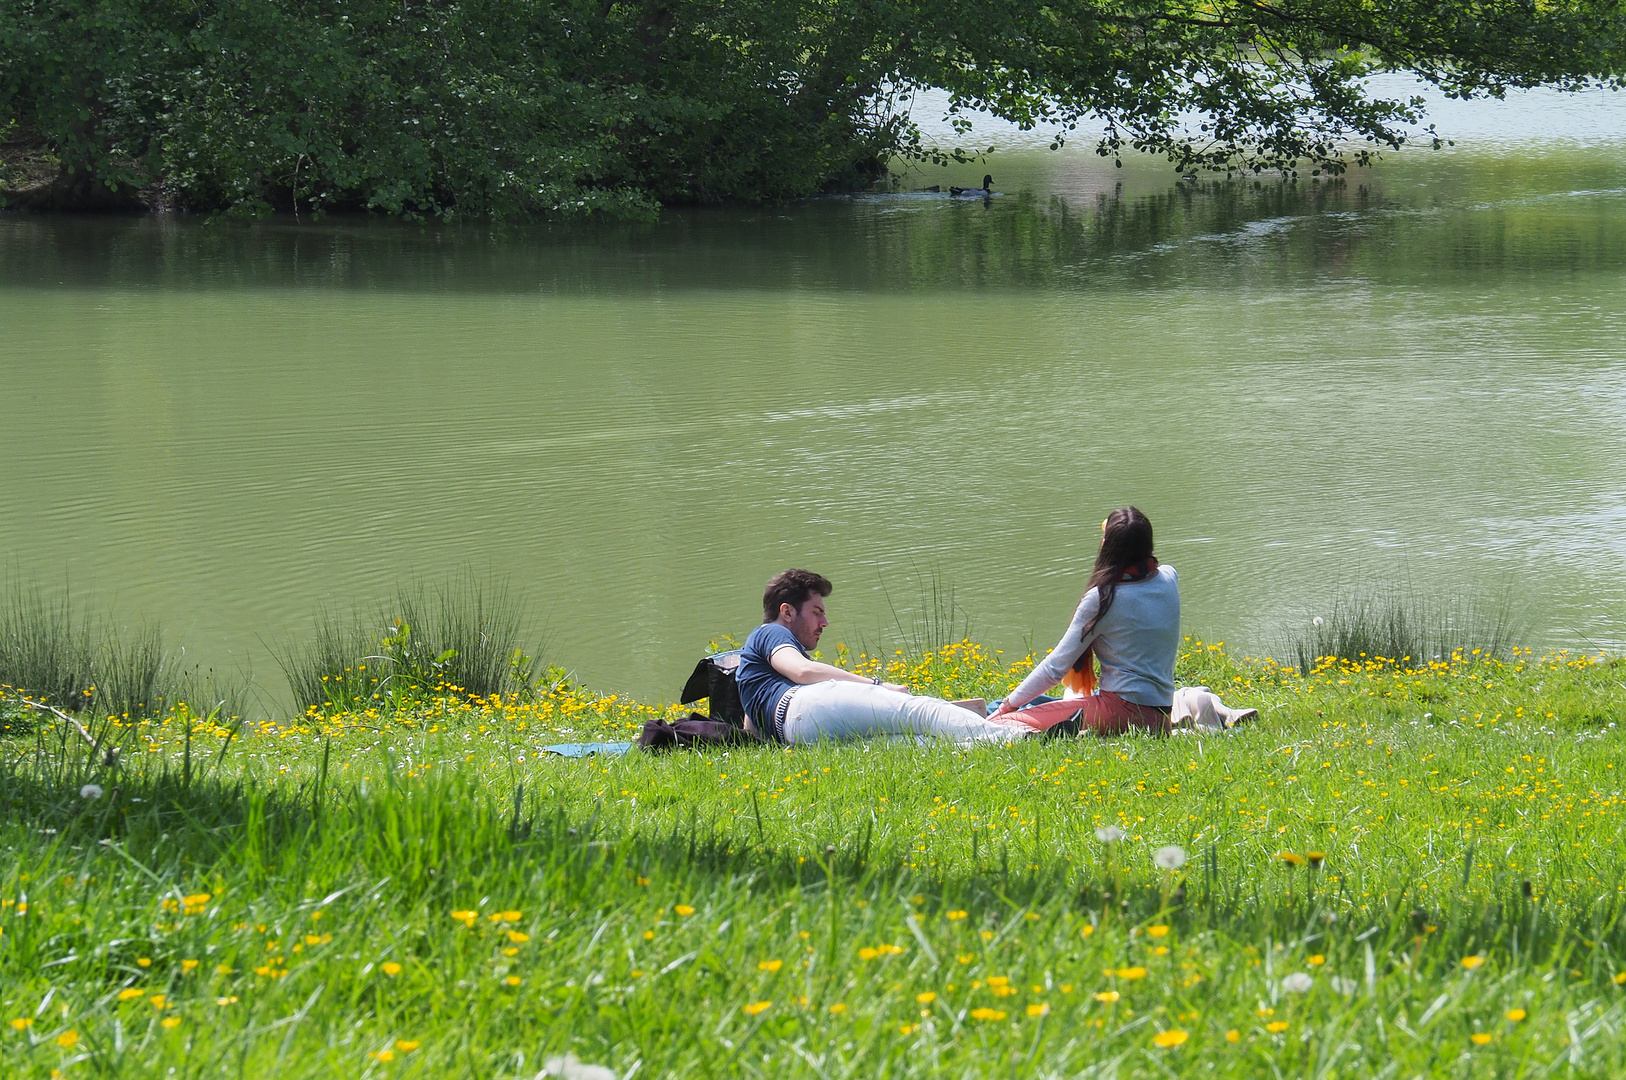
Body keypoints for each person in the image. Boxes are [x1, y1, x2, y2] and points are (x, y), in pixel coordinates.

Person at [736, 569, 1031, 746]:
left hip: (795, 733)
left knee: (916, 743)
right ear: (787, 612)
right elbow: (802, 671)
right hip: (805, 707)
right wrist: (877, 684)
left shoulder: (754, 661)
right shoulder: (770, 634)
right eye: (817, 612)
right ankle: (1022, 738)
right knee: (917, 712)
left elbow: (752, 725)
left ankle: (1009, 741)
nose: (824, 623)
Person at [991, 507, 1181, 736]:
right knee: (1041, 703)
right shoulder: (1170, 578)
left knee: (1001, 723)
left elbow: (1055, 668)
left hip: (1123, 712)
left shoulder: (1103, 599)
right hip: (1161, 715)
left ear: (1105, 546)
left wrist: (1007, 706)